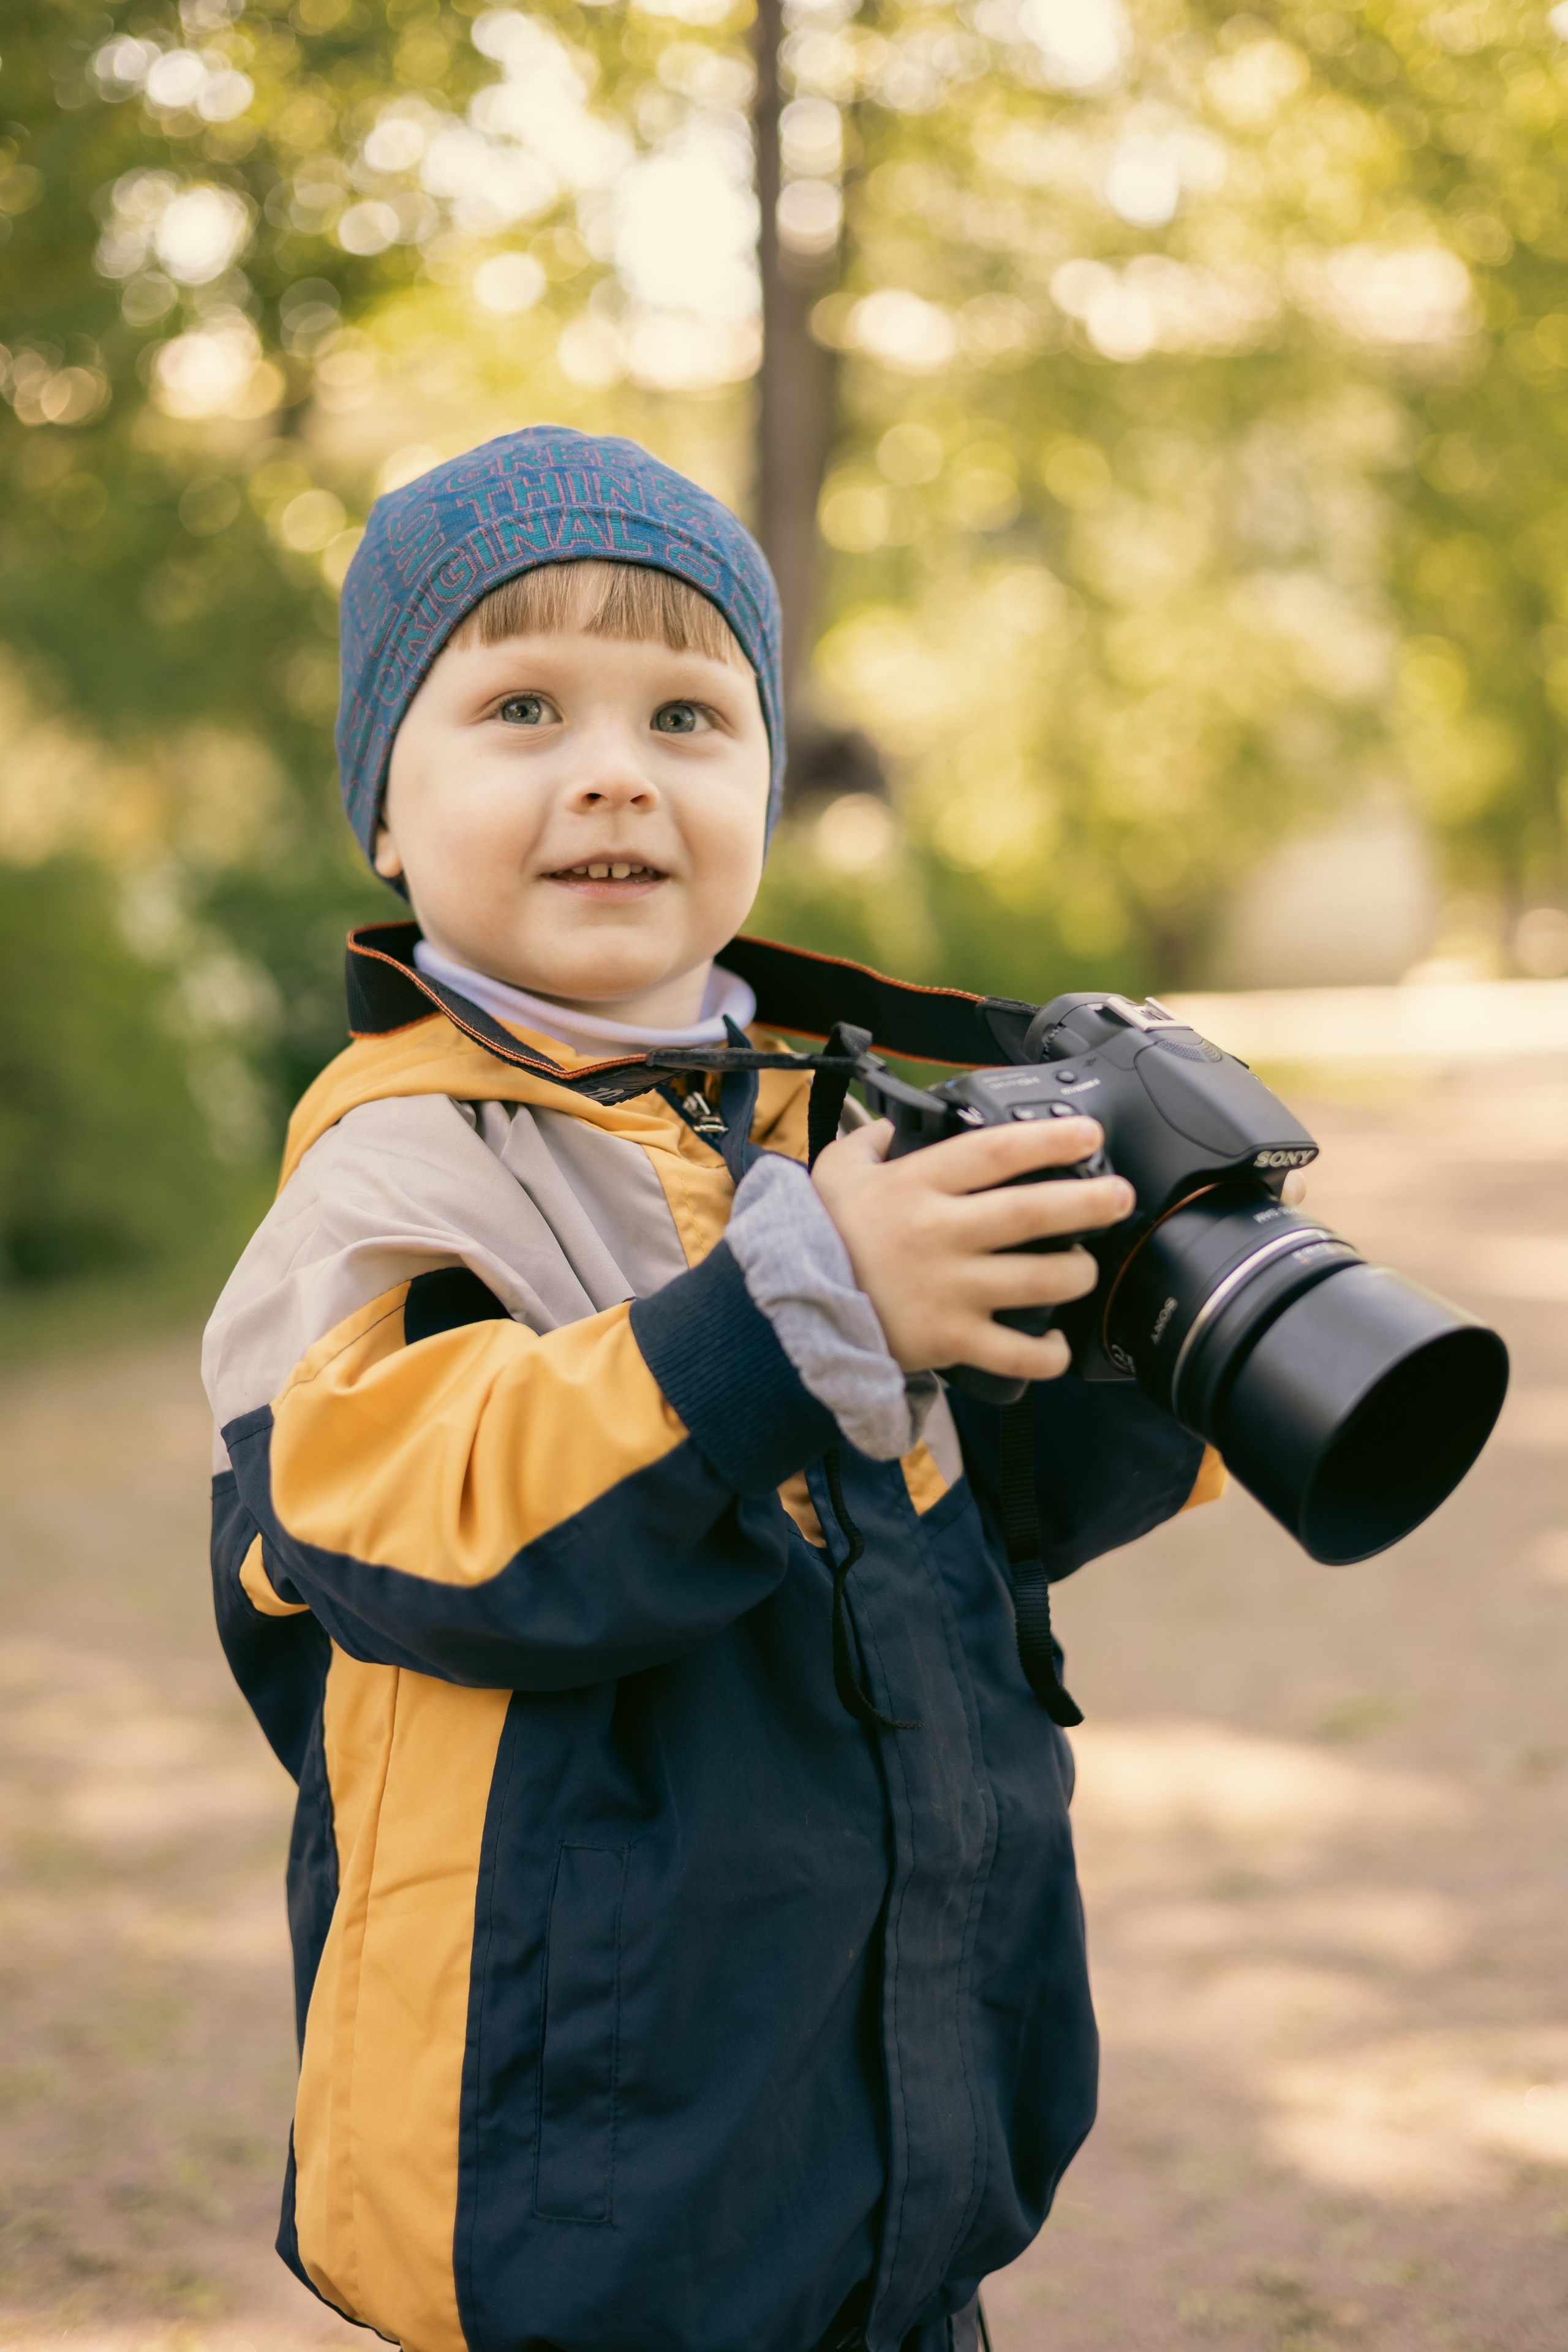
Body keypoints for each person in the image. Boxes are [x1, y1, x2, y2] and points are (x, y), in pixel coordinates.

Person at [202, 426, 1219, 2352]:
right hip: (588, 2170)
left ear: (761, 786)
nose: (615, 769)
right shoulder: (398, 1180)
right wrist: (798, 1311)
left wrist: (1146, 1307)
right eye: (522, 707)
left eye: (688, 716)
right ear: (386, 814)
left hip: (881, 2104)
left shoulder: (834, 1129)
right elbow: (441, 1537)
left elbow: (998, 1522)